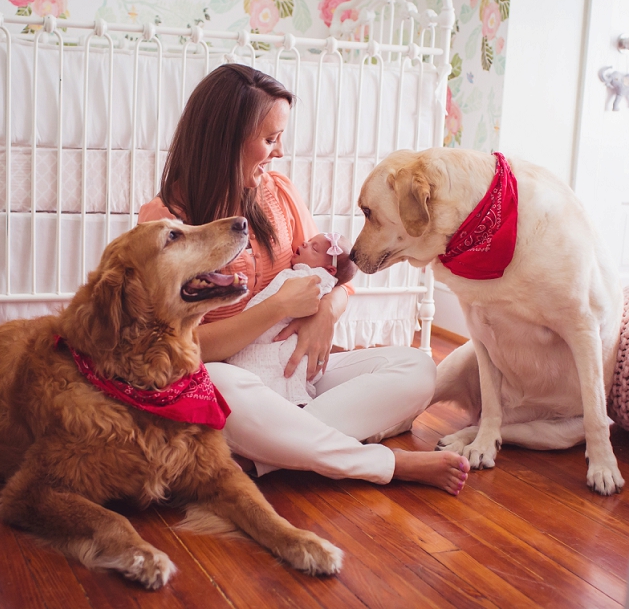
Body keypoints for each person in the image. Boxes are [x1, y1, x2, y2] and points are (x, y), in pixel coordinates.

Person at [138, 63, 470, 494]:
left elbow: (338, 278)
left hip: (296, 375)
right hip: (227, 379)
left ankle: (266, 454)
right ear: (226, 142)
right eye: (269, 140)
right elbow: (181, 350)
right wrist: (278, 308)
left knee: (417, 367)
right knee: (219, 385)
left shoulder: (280, 193)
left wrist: (325, 314)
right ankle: (381, 462)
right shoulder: (167, 225)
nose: (278, 152)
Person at [227, 232, 357, 407]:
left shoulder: (315, 277)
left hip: (298, 355)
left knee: (405, 365)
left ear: (328, 270)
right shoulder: (301, 272)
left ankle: (299, 411)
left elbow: (341, 286)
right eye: (309, 242)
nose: (304, 243)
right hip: (223, 363)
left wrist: (325, 311)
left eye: (314, 247)